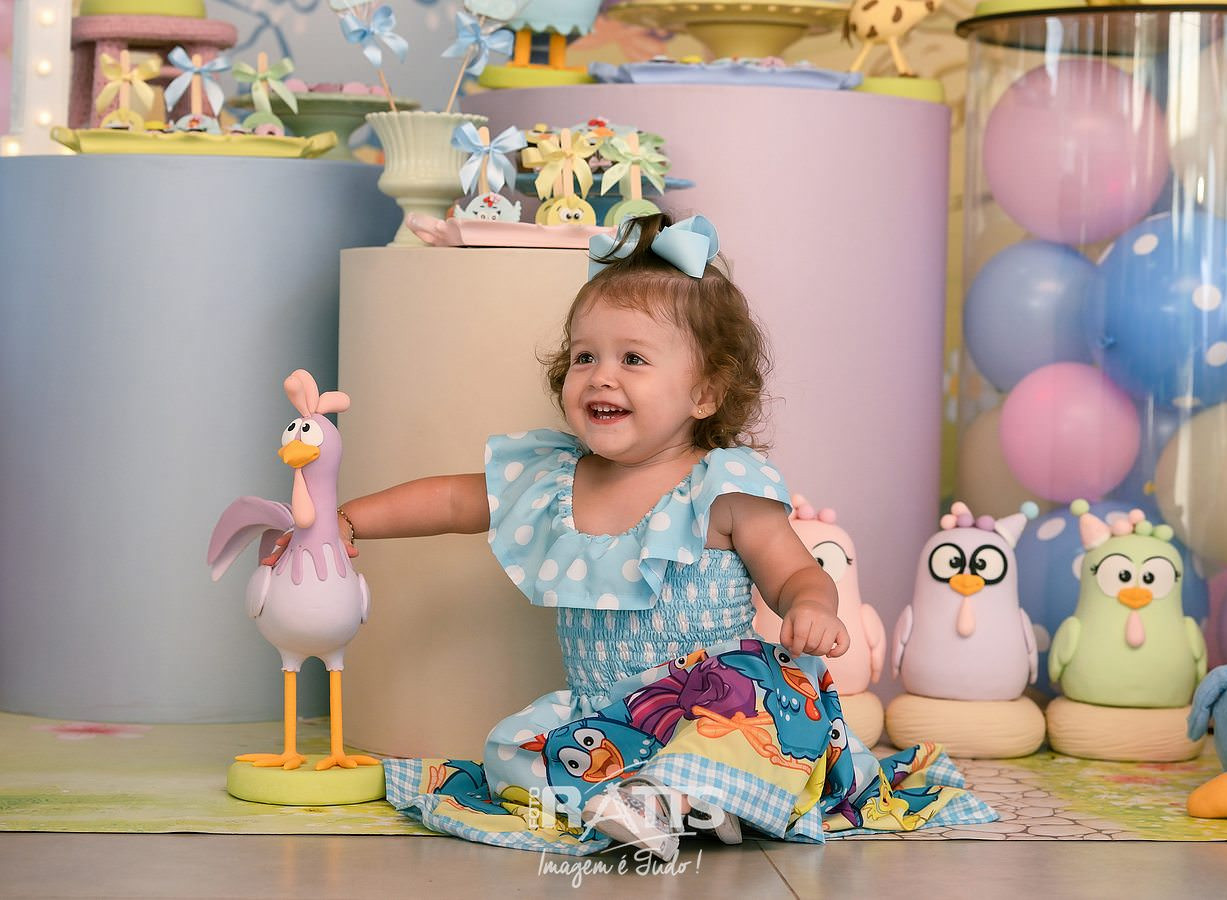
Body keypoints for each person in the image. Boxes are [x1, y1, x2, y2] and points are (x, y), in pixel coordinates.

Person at [268, 214, 990, 857]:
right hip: (611, 716)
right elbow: (454, 499)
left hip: (717, 698)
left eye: (633, 359)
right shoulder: (555, 479)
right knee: (511, 752)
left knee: (758, 717)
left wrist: (811, 605)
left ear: (704, 392)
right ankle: (662, 804)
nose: (600, 377)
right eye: (585, 357)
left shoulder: (720, 485)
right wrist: (347, 518)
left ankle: (688, 796)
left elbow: (794, 570)